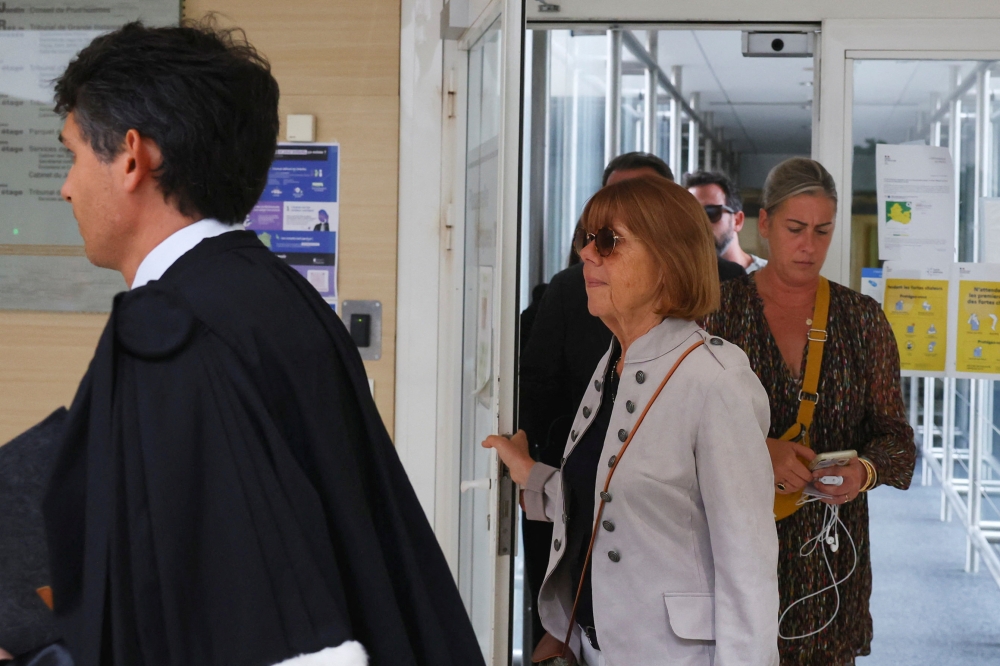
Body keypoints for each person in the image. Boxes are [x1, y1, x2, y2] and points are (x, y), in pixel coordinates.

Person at [42, 22, 484, 666]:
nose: (66, 187)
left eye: (74, 155)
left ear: (133, 157)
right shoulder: (272, 294)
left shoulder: (174, 332)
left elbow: (261, 620)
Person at [491, 176, 780, 665]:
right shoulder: (615, 363)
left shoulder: (717, 380)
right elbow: (619, 502)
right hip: (592, 647)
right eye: (587, 238)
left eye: (609, 241)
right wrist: (531, 476)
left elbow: (747, 571)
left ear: (668, 262)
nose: (586, 253)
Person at [703, 158, 916, 665]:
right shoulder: (717, 312)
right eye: (796, 228)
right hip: (730, 550)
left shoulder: (861, 319)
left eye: (823, 230)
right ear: (765, 223)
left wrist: (863, 471)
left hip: (829, 558)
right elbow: (679, 433)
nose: (809, 245)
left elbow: (898, 443)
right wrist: (759, 454)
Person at [685, 170, 767, 273]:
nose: (699, 223)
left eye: (711, 212)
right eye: (691, 215)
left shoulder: (771, 277)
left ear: (737, 221)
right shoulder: (682, 279)